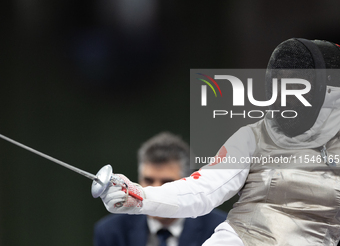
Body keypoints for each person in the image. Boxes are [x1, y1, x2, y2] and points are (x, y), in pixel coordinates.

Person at [99, 38, 340, 245]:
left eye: (297, 85)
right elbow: (203, 188)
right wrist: (140, 197)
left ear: (328, 91)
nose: (286, 96)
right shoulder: (255, 135)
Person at [93, 132, 227, 246]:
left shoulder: (220, 230)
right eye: (148, 180)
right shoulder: (111, 232)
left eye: (167, 182)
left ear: (188, 184)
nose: (156, 189)